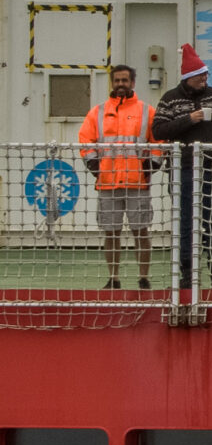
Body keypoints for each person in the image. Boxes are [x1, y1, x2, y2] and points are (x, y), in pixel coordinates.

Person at [152, 47, 212, 290]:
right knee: (184, 223)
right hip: (183, 169)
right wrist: (190, 119)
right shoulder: (169, 99)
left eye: (206, 76)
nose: (205, 80)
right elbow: (159, 131)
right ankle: (187, 274)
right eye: (200, 76)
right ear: (188, 77)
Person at [78, 64, 158, 289]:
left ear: (132, 83)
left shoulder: (147, 111)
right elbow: (85, 139)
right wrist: (94, 165)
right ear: (112, 83)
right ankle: (113, 278)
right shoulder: (97, 112)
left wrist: (151, 165)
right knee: (111, 233)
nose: (120, 84)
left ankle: (143, 278)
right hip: (108, 183)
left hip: (137, 182)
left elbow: (158, 141)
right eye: (117, 80)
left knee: (141, 231)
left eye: (125, 80)